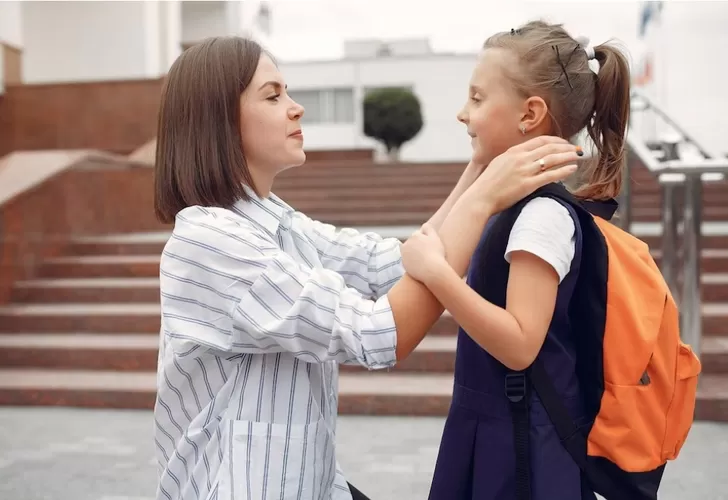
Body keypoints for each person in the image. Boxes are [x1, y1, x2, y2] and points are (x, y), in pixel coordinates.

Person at [152, 36, 581, 500]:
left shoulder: (278, 222)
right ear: (219, 120)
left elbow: (390, 267)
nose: (296, 109)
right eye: (273, 96)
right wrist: (481, 201)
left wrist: (479, 169)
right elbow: (378, 333)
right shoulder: (210, 241)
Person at [400, 20, 631, 500]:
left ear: (530, 113)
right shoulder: (510, 204)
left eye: (478, 99)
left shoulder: (542, 217)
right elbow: (429, 242)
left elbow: (521, 343)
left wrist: (440, 276)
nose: (464, 114)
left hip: (522, 450)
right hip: (495, 429)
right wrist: (479, 167)